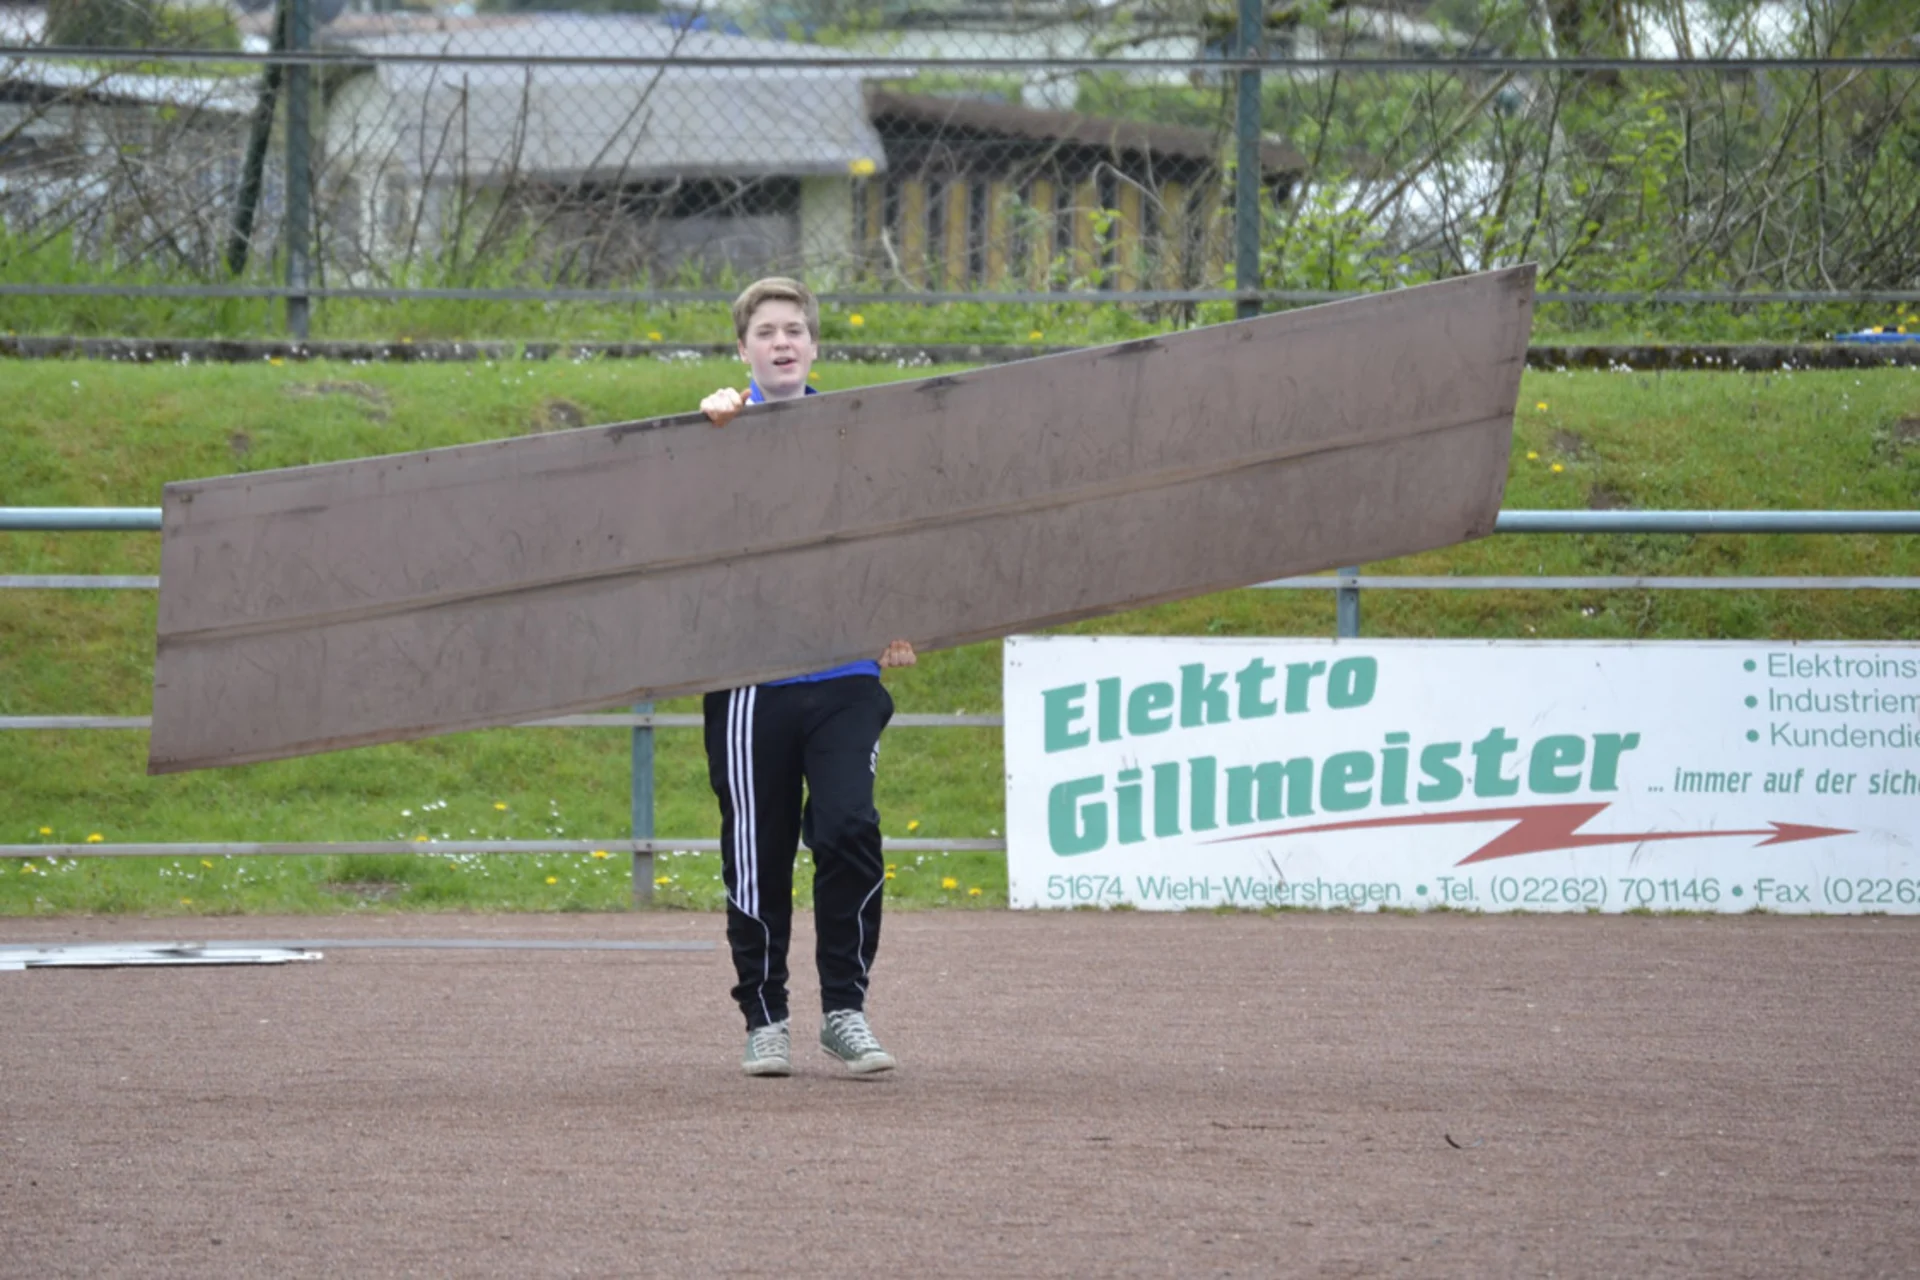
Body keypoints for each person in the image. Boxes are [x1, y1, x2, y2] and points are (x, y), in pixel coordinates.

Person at [698, 276, 916, 1078]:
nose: (782, 341)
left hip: (844, 674)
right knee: (758, 851)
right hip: (752, 679)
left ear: (816, 346)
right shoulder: (717, 430)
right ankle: (765, 1017)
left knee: (849, 828)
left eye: (795, 329)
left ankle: (844, 1011)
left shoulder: (852, 436)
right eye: (766, 332)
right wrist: (713, 433)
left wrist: (897, 619)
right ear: (744, 349)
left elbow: (887, 531)